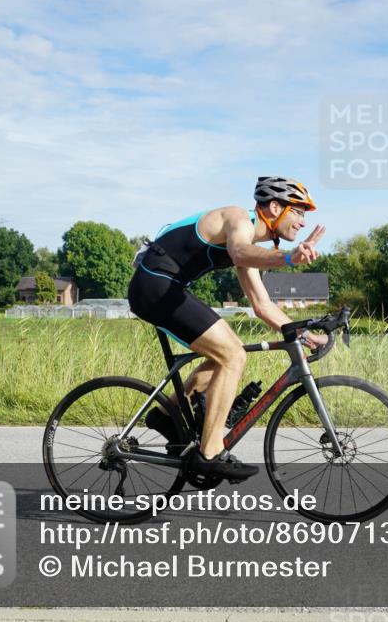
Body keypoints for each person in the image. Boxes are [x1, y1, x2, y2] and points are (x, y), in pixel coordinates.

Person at [127, 176, 328, 481]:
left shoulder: (251, 245)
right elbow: (238, 253)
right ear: (275, 207)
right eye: (299, 212)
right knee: (233, 355)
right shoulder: (239, 221)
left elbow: (262, 305)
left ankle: (166, 416)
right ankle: (210, 453)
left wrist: (305, 334)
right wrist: (289, 257)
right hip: (154, 284)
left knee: (223, 353)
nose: (302, 222)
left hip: (166, 285)